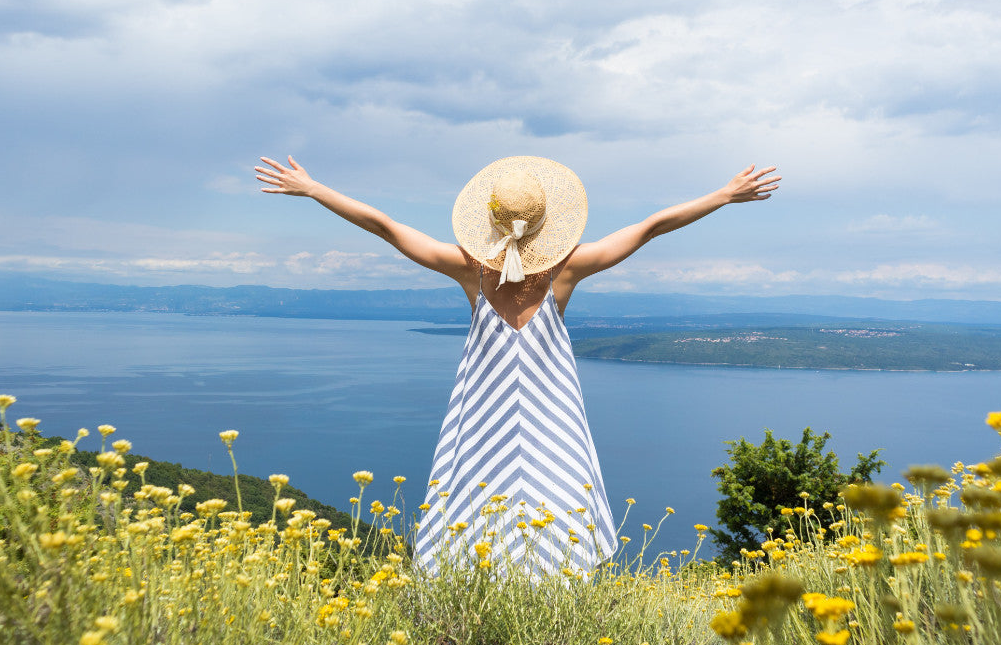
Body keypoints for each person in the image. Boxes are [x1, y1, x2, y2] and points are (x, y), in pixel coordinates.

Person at [255, 154, 779, 576]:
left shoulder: (469, 271)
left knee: (474, 523)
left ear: (489, 222)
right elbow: (651, 227)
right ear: (547, 223)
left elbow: (386, 227)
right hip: (556, 428)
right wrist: (724, 195)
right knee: (559, 523)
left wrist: (314, 189)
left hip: (482, 426)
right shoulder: (567, 270)